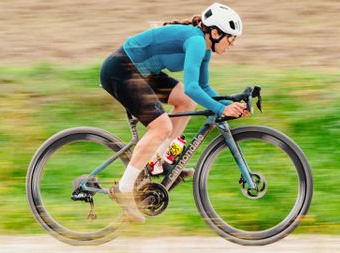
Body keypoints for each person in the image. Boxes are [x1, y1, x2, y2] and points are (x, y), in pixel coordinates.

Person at [100, 3, 249, 223]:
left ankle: (157, 162)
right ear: (215, 33)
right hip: (121, 69)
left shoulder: (205, 49)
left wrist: (231, 103)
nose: (232, 44)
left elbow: (203, 88)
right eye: (230, 38)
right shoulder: (197, 41)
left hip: (141, 70)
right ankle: (124, 189)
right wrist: (221, 108)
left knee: (186, 102)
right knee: (161, 126)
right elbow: (192, 86)